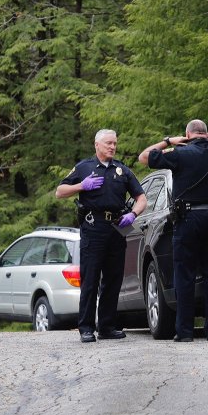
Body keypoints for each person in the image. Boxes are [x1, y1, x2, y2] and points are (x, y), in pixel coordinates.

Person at [138, 119, 208, 341]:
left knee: (184, 276)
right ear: (206, 134)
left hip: (188, 218)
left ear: (188, 134)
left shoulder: (180, 153)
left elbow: (144, 157)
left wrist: (167, 142)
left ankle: (185, 332)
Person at [56, 129, 147, 343]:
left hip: (117, 226)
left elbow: (142, 198)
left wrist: (133, 214)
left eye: (114, 143)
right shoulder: (84, 167)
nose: (112, 147)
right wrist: (81, 185)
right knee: (91, 278)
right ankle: (86, 327)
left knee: (113, 278)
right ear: (97, 145)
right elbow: (60, 191)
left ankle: (106, 326)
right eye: (108, 143)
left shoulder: (122, 170)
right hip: (93, 226)